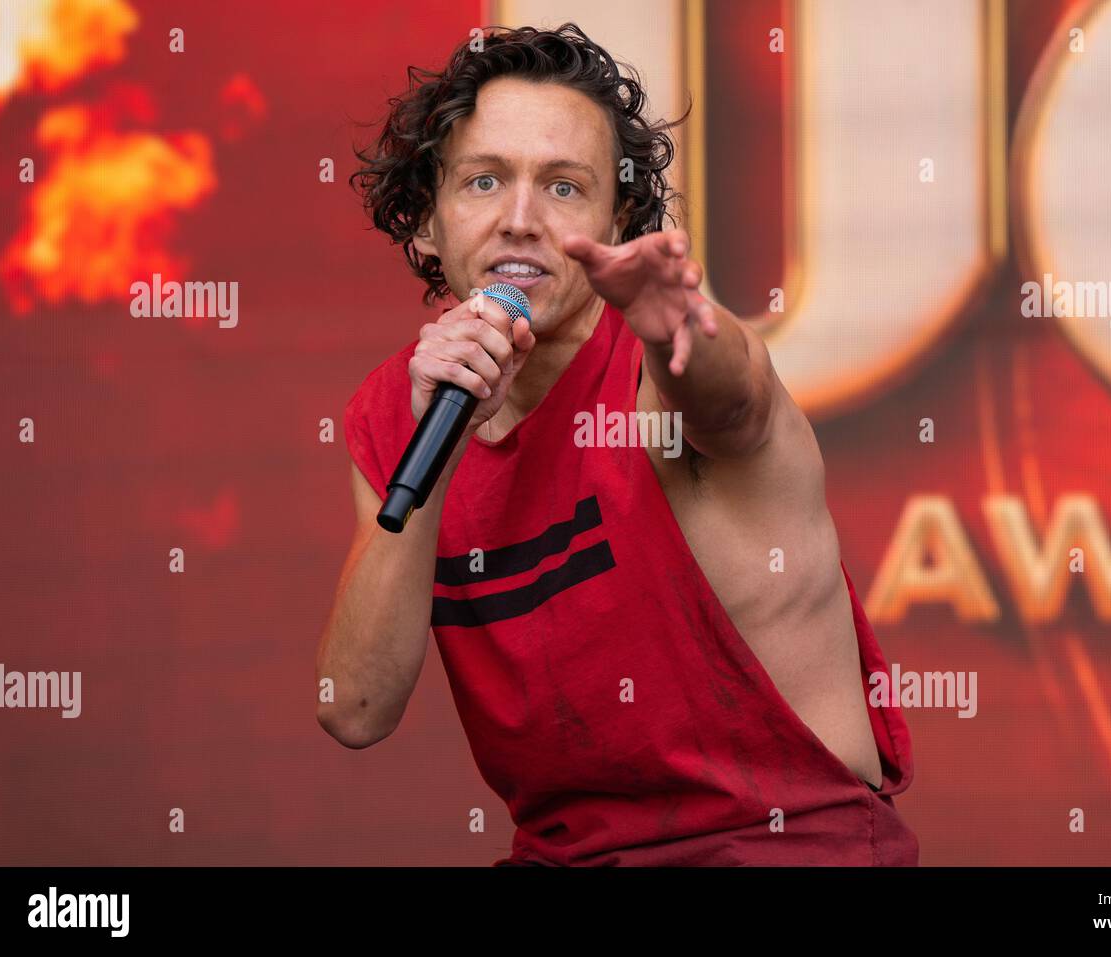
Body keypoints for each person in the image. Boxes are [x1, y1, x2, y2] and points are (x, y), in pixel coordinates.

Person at [316, 22, 918, 866]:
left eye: (564, 188)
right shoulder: (399, 410)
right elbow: (354, 708)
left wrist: (679, 327)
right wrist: (435, 449)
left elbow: (729, 395)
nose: (520, 219)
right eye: (484, 181)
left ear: (617, 218)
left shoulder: (667, 366)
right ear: (424, 222)